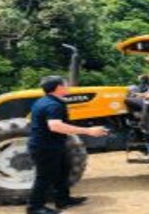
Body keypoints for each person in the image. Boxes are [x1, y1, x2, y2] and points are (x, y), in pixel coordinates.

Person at [27, 76, 108, 214]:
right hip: (45, 147)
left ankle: (63, 200)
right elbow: (55, 126)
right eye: (66, 85)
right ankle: (35, 208)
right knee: (44, 177)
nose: (68, 87)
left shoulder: (45, 101)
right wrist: (89, 131)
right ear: (59, 87)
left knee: (63, 171)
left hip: (54, 144)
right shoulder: (53, 105)